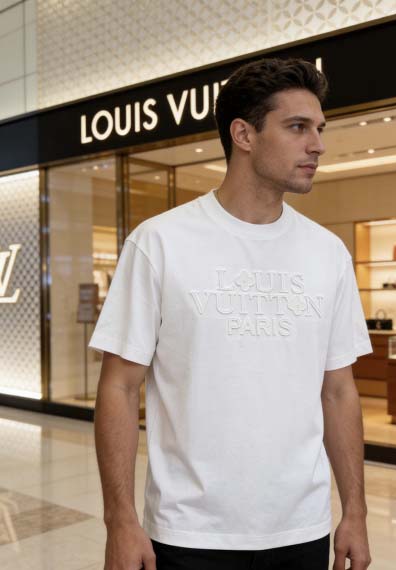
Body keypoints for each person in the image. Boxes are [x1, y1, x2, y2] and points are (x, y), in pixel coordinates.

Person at [89, 57, 373, 570]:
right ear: (243, 134)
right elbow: (119, 387)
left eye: (320, 128)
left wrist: (356, 510)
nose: (317, 145)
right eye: (298, 127)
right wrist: (120, 521)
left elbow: (338, 390)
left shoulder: (328, 253)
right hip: (188, 532)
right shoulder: (159, 243)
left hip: (302, 529)